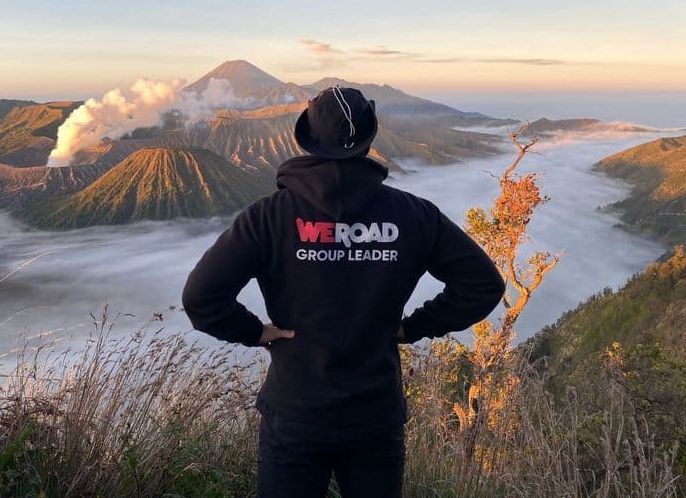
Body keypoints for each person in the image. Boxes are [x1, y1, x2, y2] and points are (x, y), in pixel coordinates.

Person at [182, 85, 506, 498]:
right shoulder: (412, 215)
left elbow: (200, 299)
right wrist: (412, 328)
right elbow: (483, 285)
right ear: (370, 140)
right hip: (375, 415)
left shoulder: (268, 217)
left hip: (295, 413)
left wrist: (257, 332)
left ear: (307, 139)